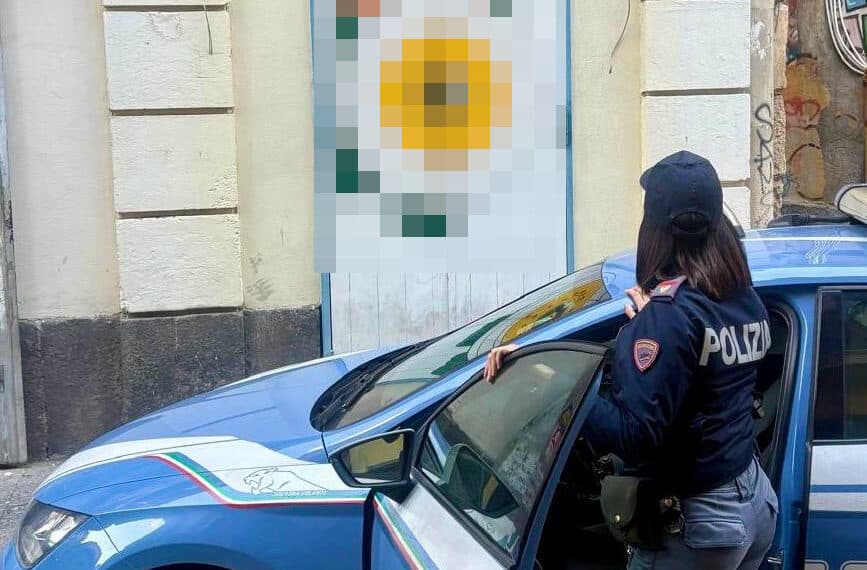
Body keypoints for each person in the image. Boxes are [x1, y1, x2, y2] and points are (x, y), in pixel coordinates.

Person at [484, 150, 778, 570]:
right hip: (751, 499)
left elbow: (634, 436)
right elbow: (707, 373)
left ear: (655, 231)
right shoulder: (740, 295)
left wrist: (555, 381)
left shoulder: (670, 315)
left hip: (700, 522)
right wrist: (647, 327)